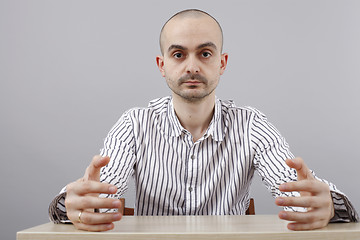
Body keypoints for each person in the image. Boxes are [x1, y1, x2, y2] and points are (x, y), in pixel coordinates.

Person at [49, 9, 358, 232]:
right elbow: (94, 200)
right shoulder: (134, 125)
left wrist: (330, 206)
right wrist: (70, 206)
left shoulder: (251, 126)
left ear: (222, 63)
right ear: (162, 65)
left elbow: (302, 199)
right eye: (179, 54)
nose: (192, 66)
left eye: (205, 54)